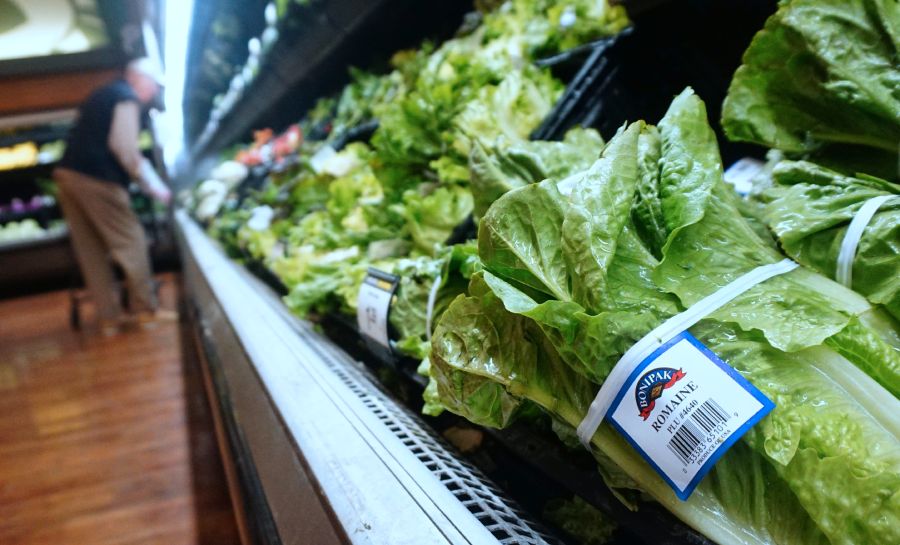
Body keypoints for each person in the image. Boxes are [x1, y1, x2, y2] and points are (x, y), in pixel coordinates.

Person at [54, 58, 174, 336]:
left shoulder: (103, 93)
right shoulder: (126, 97)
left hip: (67, 175)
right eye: (154, 85)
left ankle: (109, 317)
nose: (153, 92)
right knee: (131, 240)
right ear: (139, 79)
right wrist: (154, 187)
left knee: (91, 250)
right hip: (97, 178)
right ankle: (145, 311)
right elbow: (124, 148)